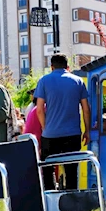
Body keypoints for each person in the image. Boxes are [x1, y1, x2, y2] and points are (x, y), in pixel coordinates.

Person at [35, 53, 91, 191]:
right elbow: (86, 109)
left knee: (47, 170)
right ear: (68, 67)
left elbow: (39, 109)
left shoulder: (44, 80)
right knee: (71, 171)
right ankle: (71, 203)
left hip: (50, 134)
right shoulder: (78, 81)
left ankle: (51, 203)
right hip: (72, 134)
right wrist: (87, 131)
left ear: (51, 67)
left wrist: (44, 128)